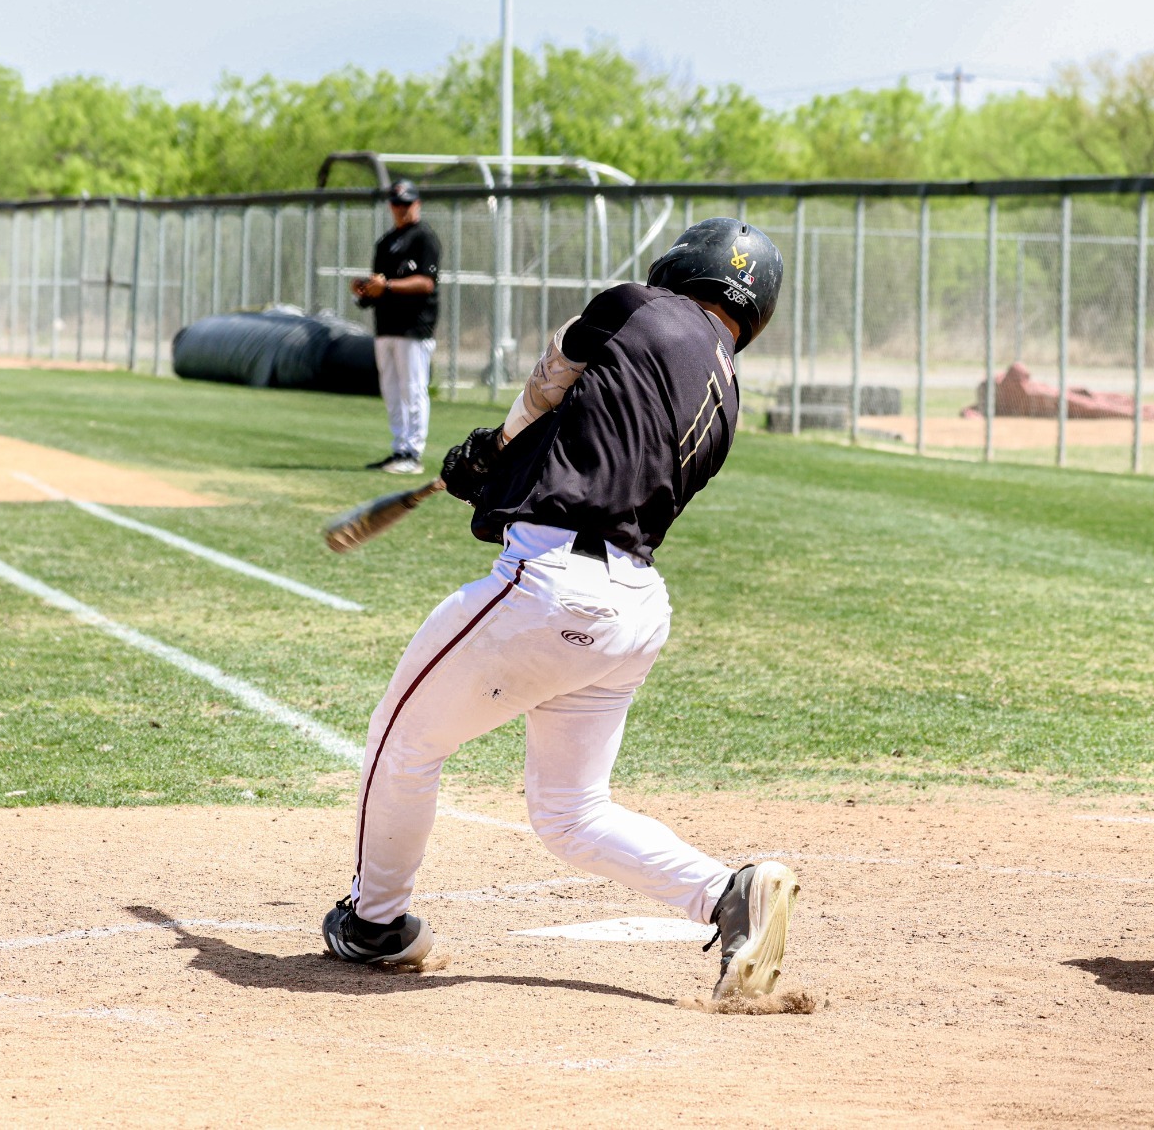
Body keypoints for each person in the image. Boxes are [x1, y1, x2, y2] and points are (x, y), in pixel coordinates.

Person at [322, 218, 801, 1001]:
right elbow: (603, 444)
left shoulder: (638, 304)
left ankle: (376, 922)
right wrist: (501, 466)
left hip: (552, 585)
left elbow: (556, 373)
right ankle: (728, 893)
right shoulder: (727, 392)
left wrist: (498, 441)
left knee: (402, 738)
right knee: (571, 812)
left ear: (685, 265)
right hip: (633, 610)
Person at [351, 180, 439, 474]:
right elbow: (380, 286)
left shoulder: (424, 238)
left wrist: (386, 286)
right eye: (397, 204)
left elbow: (426, 283)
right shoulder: (386, 242)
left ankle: (412, 454)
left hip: (414, 327)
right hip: (386, 325)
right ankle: (398, 448)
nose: (402, 209)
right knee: (391, 390)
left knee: (413, 390)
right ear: (391, 206)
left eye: (407, 203)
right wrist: (366, 291)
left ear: (418, 204)